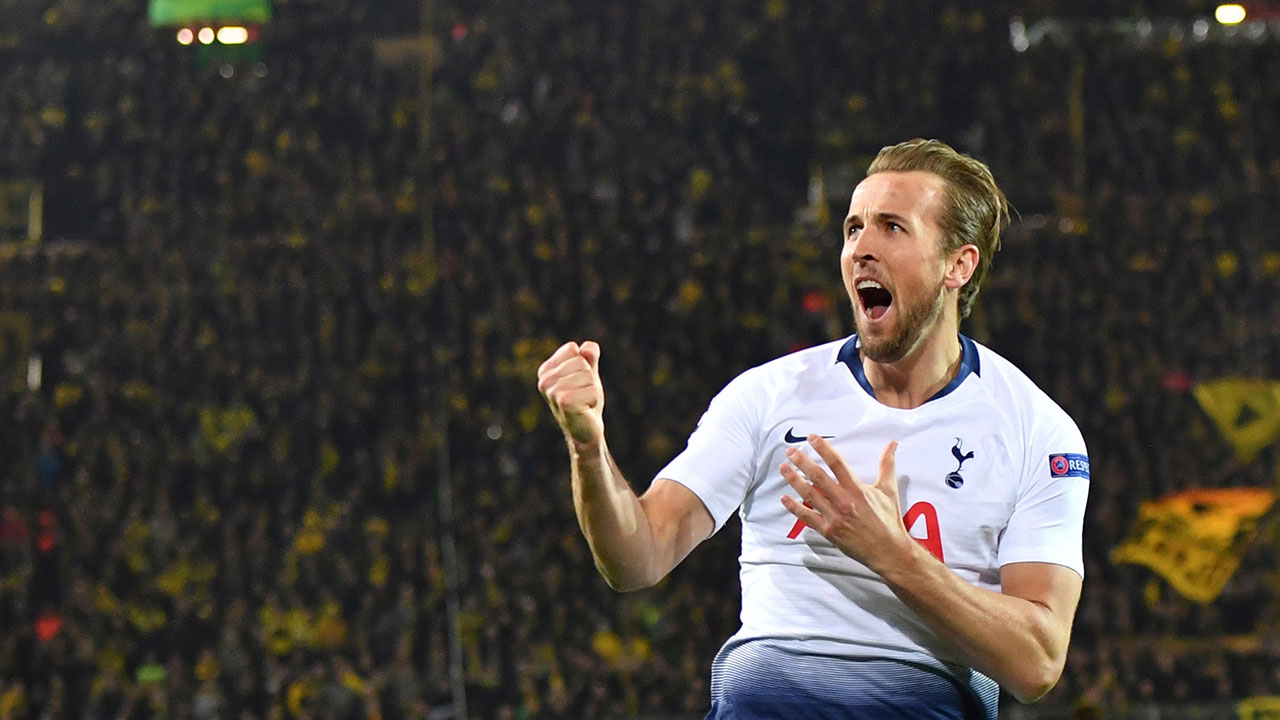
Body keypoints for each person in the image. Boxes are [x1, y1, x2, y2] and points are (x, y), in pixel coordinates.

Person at [537, 138, 1089, 719]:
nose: (860, 250)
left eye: (892, 228)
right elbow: (637, 558)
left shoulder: (1036, 430)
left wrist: (892, 554)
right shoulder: (768, 395)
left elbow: (1038, 663)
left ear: (959, 264)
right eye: (853, 229)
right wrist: (588, 448)